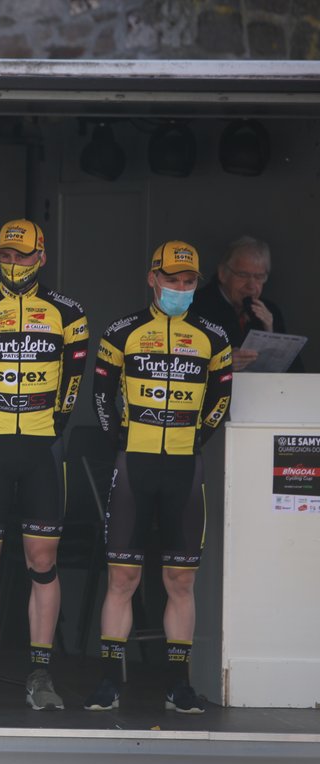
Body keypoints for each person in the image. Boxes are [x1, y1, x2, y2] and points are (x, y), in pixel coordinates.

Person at [0, 219, 88, 711]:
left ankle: (41, 673)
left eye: (22, 255)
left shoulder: (68, 312)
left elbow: (73, 381)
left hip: (42, 446)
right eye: (6, 255)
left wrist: (53, 424)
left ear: (41, 256)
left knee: (42, 561)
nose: (13, 263)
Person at [87, 240, 232, 714]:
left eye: (189, 281)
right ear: (153, 278)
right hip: (135, 464)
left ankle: (178, 684)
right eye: (172, 279)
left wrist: (195, 438)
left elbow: (220, 401)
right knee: (122, 577)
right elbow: (100, 397)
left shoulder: (213, 336)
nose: (181, 288)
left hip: (184, 466)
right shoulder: (122, 331)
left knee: (181, 581)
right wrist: (121, 440)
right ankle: (109, 681)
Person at [190, 236, 301, 372]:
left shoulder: (270, 311)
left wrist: (270, 333)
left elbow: (296, 372)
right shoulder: (195, 305)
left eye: (259, 277)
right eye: (243, 275)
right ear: (223, 273)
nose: (251, 285)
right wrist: (223, 362)